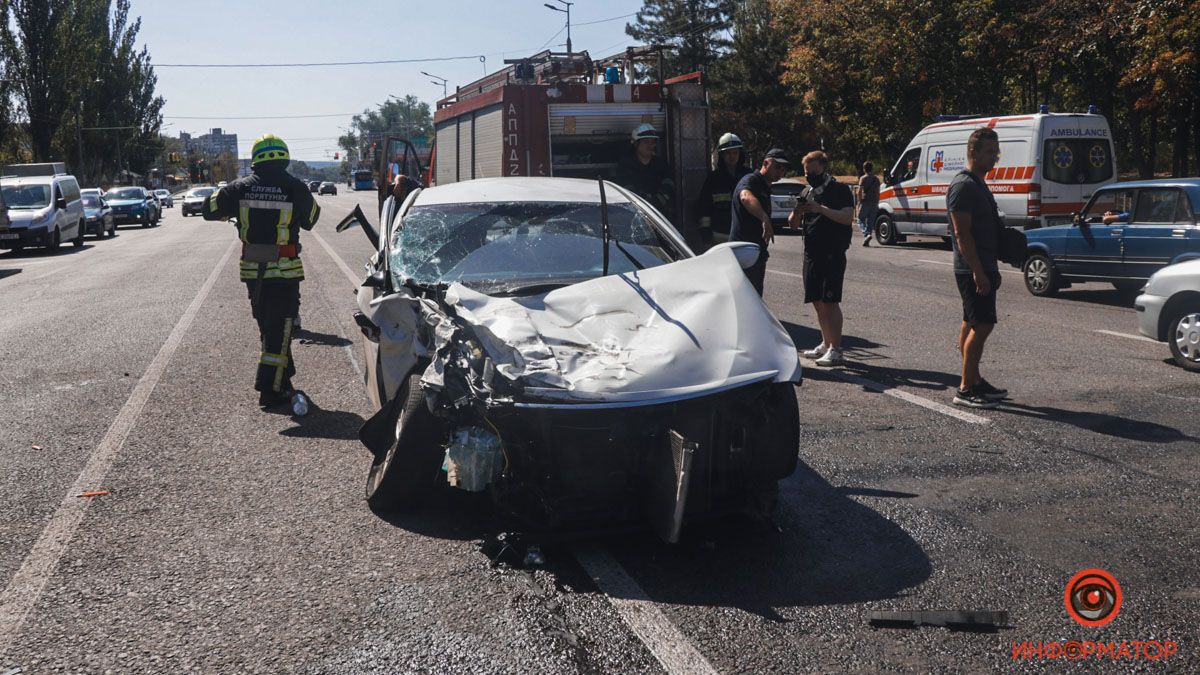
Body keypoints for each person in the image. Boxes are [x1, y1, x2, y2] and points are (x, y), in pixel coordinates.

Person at [203, 134, 321, 411]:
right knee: (279, 329)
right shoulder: (295, 187)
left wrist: (227, 196)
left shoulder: (239, 188)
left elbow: (208, 210)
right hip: (284, 271)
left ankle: (283, 380)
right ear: (285, 158)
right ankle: (270, 389)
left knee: (270, 328)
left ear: (255, 160)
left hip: (253, 272)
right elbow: (312, 220)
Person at [947, 127, 1008, 408]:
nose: (994, 158)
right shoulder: (963, 186)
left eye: (996, 152)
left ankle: (974, 379)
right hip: (973, 267)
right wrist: (978, 272)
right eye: (989, 152)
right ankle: (965, 389)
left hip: (983, 263)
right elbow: (962, 234)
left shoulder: (978, 183)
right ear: (972, 152)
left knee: (971, 322)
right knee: (983, 324)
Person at [790, 151, 855, 366]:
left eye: (814, 172)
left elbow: (847, 218)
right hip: (812, 253)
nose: (810, 177)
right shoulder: (807, 191)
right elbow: (793, 224)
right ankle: (826, 343)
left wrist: (820, 209)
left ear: (824, 168)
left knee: (830, 301)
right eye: (807, 173)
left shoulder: (839, 190)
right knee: (817, 301)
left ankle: (836, 349)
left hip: (832, 253)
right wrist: (798, 211)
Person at [730, 148, 790, 295]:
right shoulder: (751, 180)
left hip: (756, 253)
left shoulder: (765, 187)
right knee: (746, 298)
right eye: (777, 167)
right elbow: (745, 196)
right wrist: (764, 217)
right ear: (765, 163)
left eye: (783, 169)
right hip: (744, 253)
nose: (780, 172)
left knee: (755, 296)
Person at [696, 133, 751, 248]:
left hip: (744, 236)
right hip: (719, 240)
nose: (732, 156)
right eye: (728, 153)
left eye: (735, 152)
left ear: (740, 154)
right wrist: (706, 236)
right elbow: (704, 207)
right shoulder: (713, 178)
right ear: (722, 155)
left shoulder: (748, 176)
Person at [615, 123, 674, 215]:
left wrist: (658, 199)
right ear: (636, 143)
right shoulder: (625, 165)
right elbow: (623, 186)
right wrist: (643, 199)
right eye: (646, 141)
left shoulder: (661, 164)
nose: (650, 145)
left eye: (653, 142)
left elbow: (668, 183)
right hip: (633, 211)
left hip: (659, 213)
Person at [856, 161, 880, 246]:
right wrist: (877, 202)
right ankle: (867, 238)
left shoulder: (863, 178)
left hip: (865, 201)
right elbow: (878, 192)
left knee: (860, 219)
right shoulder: (876, 179)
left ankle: (866, 234)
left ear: (864, 169)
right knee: (870, 221)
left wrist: (859, 202)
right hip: (874, 202)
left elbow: (859, 191)